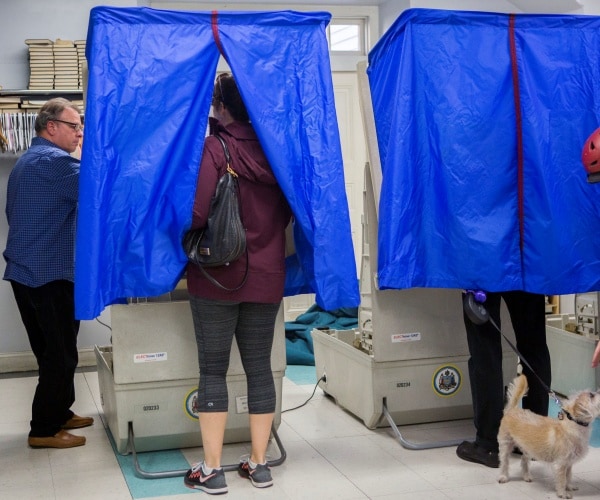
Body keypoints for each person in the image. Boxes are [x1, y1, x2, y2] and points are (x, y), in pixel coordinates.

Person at [184, 73, 292, 495]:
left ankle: (212, 470)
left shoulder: (216, 147)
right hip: (267, 276)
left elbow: (195, 213)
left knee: (213, 370)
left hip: (215, 277)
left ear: (221, 107)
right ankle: (260, 464)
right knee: (259, 368)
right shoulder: (278, 150)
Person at [3, 98, 93, 449]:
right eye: (74, 127)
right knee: (60, 354)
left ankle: (60, 412)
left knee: (54, 349)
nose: (80, 133)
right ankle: (43, 429)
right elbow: (96, 191)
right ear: (50, 126)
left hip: (33, 271)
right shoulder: (53, 163)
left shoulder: (29, 160)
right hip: (45, 275)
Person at [456, 291, 552, 468]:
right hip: (526, 267)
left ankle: (488, 444)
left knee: (485, 351)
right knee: (534, 345)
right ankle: (534, 440)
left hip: (483, 269)